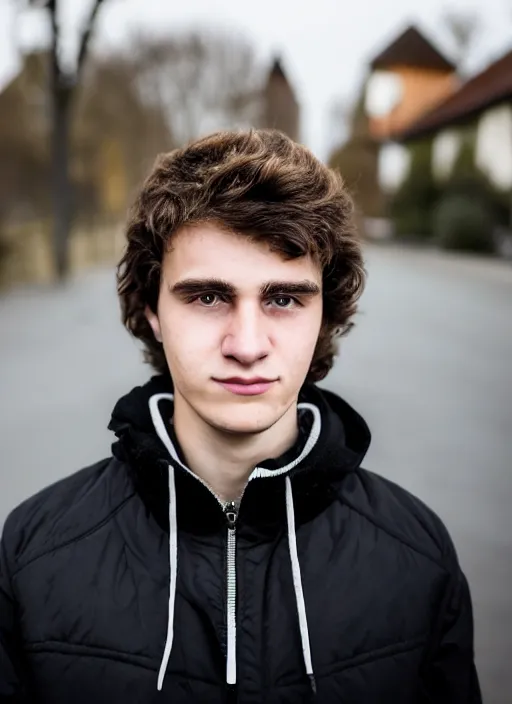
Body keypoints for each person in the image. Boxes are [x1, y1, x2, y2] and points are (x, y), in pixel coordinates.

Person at [0, 129, 481, 704]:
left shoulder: (417, 558)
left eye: (283, 298)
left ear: (324, 312)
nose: (247, 345)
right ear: (153, 310)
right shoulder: (33, 556)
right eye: (207, 297)